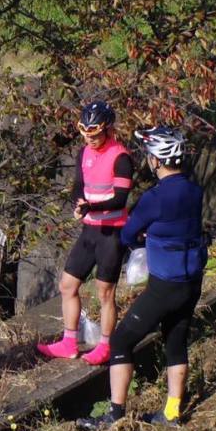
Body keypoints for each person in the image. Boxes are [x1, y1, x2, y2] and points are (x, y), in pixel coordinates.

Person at [77, 126, 206, 431]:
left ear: (156, 161)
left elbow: (127, 233)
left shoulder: (154, 197)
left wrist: (143, 236)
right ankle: (172, 412)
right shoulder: (195, 190)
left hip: (165, 285)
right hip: (192, 281)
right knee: (176, 341)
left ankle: (116, 414)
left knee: (121, 340)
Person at [38, 100, 135, 365]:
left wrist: (92, 206)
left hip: (111, 233)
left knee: (105, 293)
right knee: (67, 285)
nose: (90, 140)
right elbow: (78, 186)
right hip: (89, 231)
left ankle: (105, 345)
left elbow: (120, 199)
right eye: (86, 135)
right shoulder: (84, 153)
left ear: (108, 130)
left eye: (95, 135)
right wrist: (79, 203)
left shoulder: (121, 158)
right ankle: (69, 342)